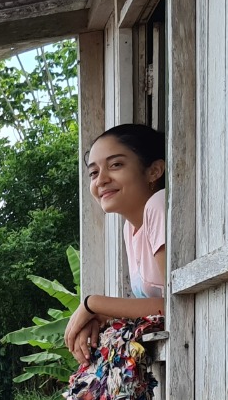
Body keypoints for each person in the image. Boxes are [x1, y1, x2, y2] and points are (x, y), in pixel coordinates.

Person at [64, 124, 167, 364]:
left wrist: (92, 303)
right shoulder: (130, 228)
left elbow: (173, 304)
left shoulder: (158, 205)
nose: (101, 180)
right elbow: (150, 310)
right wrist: (101, 316)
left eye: (116, 165)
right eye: (93, 172)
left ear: (154, 171)